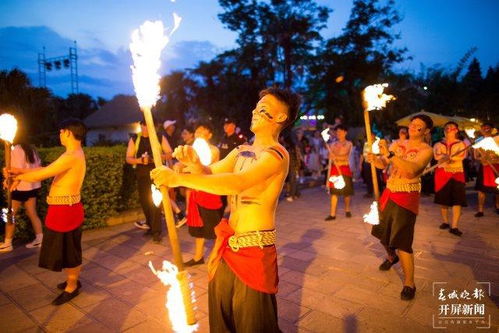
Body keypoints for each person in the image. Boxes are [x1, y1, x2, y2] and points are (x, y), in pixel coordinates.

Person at [151, 87, 301, 332]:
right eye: (256, 106)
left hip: (255, 251)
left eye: (263, 109)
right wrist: (194, 164)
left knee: (252, 323)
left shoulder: (277, 155)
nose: (254, 111)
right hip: (227, 246)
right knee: (222, 319)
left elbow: (237, 182)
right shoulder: (241, 151)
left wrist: (178, 180)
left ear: (280, 117)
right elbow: (211, 173)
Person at [10, 119, 87, 305]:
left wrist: (19, 176)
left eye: (61, 131)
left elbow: (42, 174)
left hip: (66, 211)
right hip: (62, 209)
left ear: (68, 132)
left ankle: (72, 285)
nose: (59, 134)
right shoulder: (71, 154)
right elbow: (45, 169)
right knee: (65, 249)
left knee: (70, 251)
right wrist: (17, 171)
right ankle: (72, 279)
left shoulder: (72, 155)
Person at [367, 115, 433, 301]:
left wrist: (390, 154)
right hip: (389, 192)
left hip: (407, 196)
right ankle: (391, 257)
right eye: (412, 124)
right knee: (382, 234)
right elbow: (384, 165)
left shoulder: (426, 150)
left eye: (418, 126)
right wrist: (375, 158)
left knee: (402, 240)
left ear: (426, 131)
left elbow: (412, 169)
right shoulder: (397, 144)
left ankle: (409, 283)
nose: (413, 127)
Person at [182, 122, 223, 266]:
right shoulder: (192, 151)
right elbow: (183, 168)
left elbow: (204, 165)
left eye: (202, 131)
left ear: (209, 135)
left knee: (215, 228)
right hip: (196, 191)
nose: (198, 134)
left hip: (209, 192)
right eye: (197, 131)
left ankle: (220, 256)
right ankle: (198, 256)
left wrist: (190, 163)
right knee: (198, 228)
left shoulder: (213, 150)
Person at [126, 119, 172, 242]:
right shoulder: (135, 138)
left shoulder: (159, 137)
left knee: (155, 202)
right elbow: (128, 158)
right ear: (140, 125)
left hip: (156, 175)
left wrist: (154, 158)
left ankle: (157, 232)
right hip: (141, 175)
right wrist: (140, 160)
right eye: (144, 125)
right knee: (145, 202)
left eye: (148, 125)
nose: (145, 128)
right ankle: (151, 227)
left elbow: (169, 153)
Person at [0, 140, 43, 252]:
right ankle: (40, 239)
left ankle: (7, 243)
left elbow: (17, 170)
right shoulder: (31, 148)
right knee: (32, 212)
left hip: (19, 186)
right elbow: (38, 166)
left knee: (10, 214)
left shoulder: (16, 149)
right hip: (32, 185)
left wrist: (8, 179)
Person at [433, 121, 467, 236]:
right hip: (442, 174)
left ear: (456, 130)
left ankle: (455, 226)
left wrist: (452, 158)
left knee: (457, 200)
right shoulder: (438, 144)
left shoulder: (461, 144)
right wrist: (444, 157)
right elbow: (436, 156)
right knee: (443, 201)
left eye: (452, 127)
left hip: (457, 173)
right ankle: (445, 221)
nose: (449, 129)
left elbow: (462, 156)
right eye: (447, 127)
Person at [325, 125, 353, 220]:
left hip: (345, 169)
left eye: (340, 132)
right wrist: (330, 155)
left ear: (345, 132)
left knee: (346, 193)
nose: (338, 134)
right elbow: (329, 156)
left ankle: (347, 210)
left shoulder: (349, 144)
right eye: (337, 132)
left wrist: (336, 156)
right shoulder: (333, 144)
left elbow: (346, 156)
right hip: (335, 170)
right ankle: (332, 214)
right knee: (334, 193)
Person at [473, 123, 499, 217]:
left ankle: (498, 206)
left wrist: (494, 157)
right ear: (481, 129)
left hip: (496, 166)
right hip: (484, 167)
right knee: (481, 190)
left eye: (488, 128)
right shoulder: (478, 141)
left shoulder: (497, 139)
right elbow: (476, 156)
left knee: (497, 189)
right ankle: (480, 210)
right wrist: (482, 158)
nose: (486, 129)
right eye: (484, 128)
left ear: (492, 129)